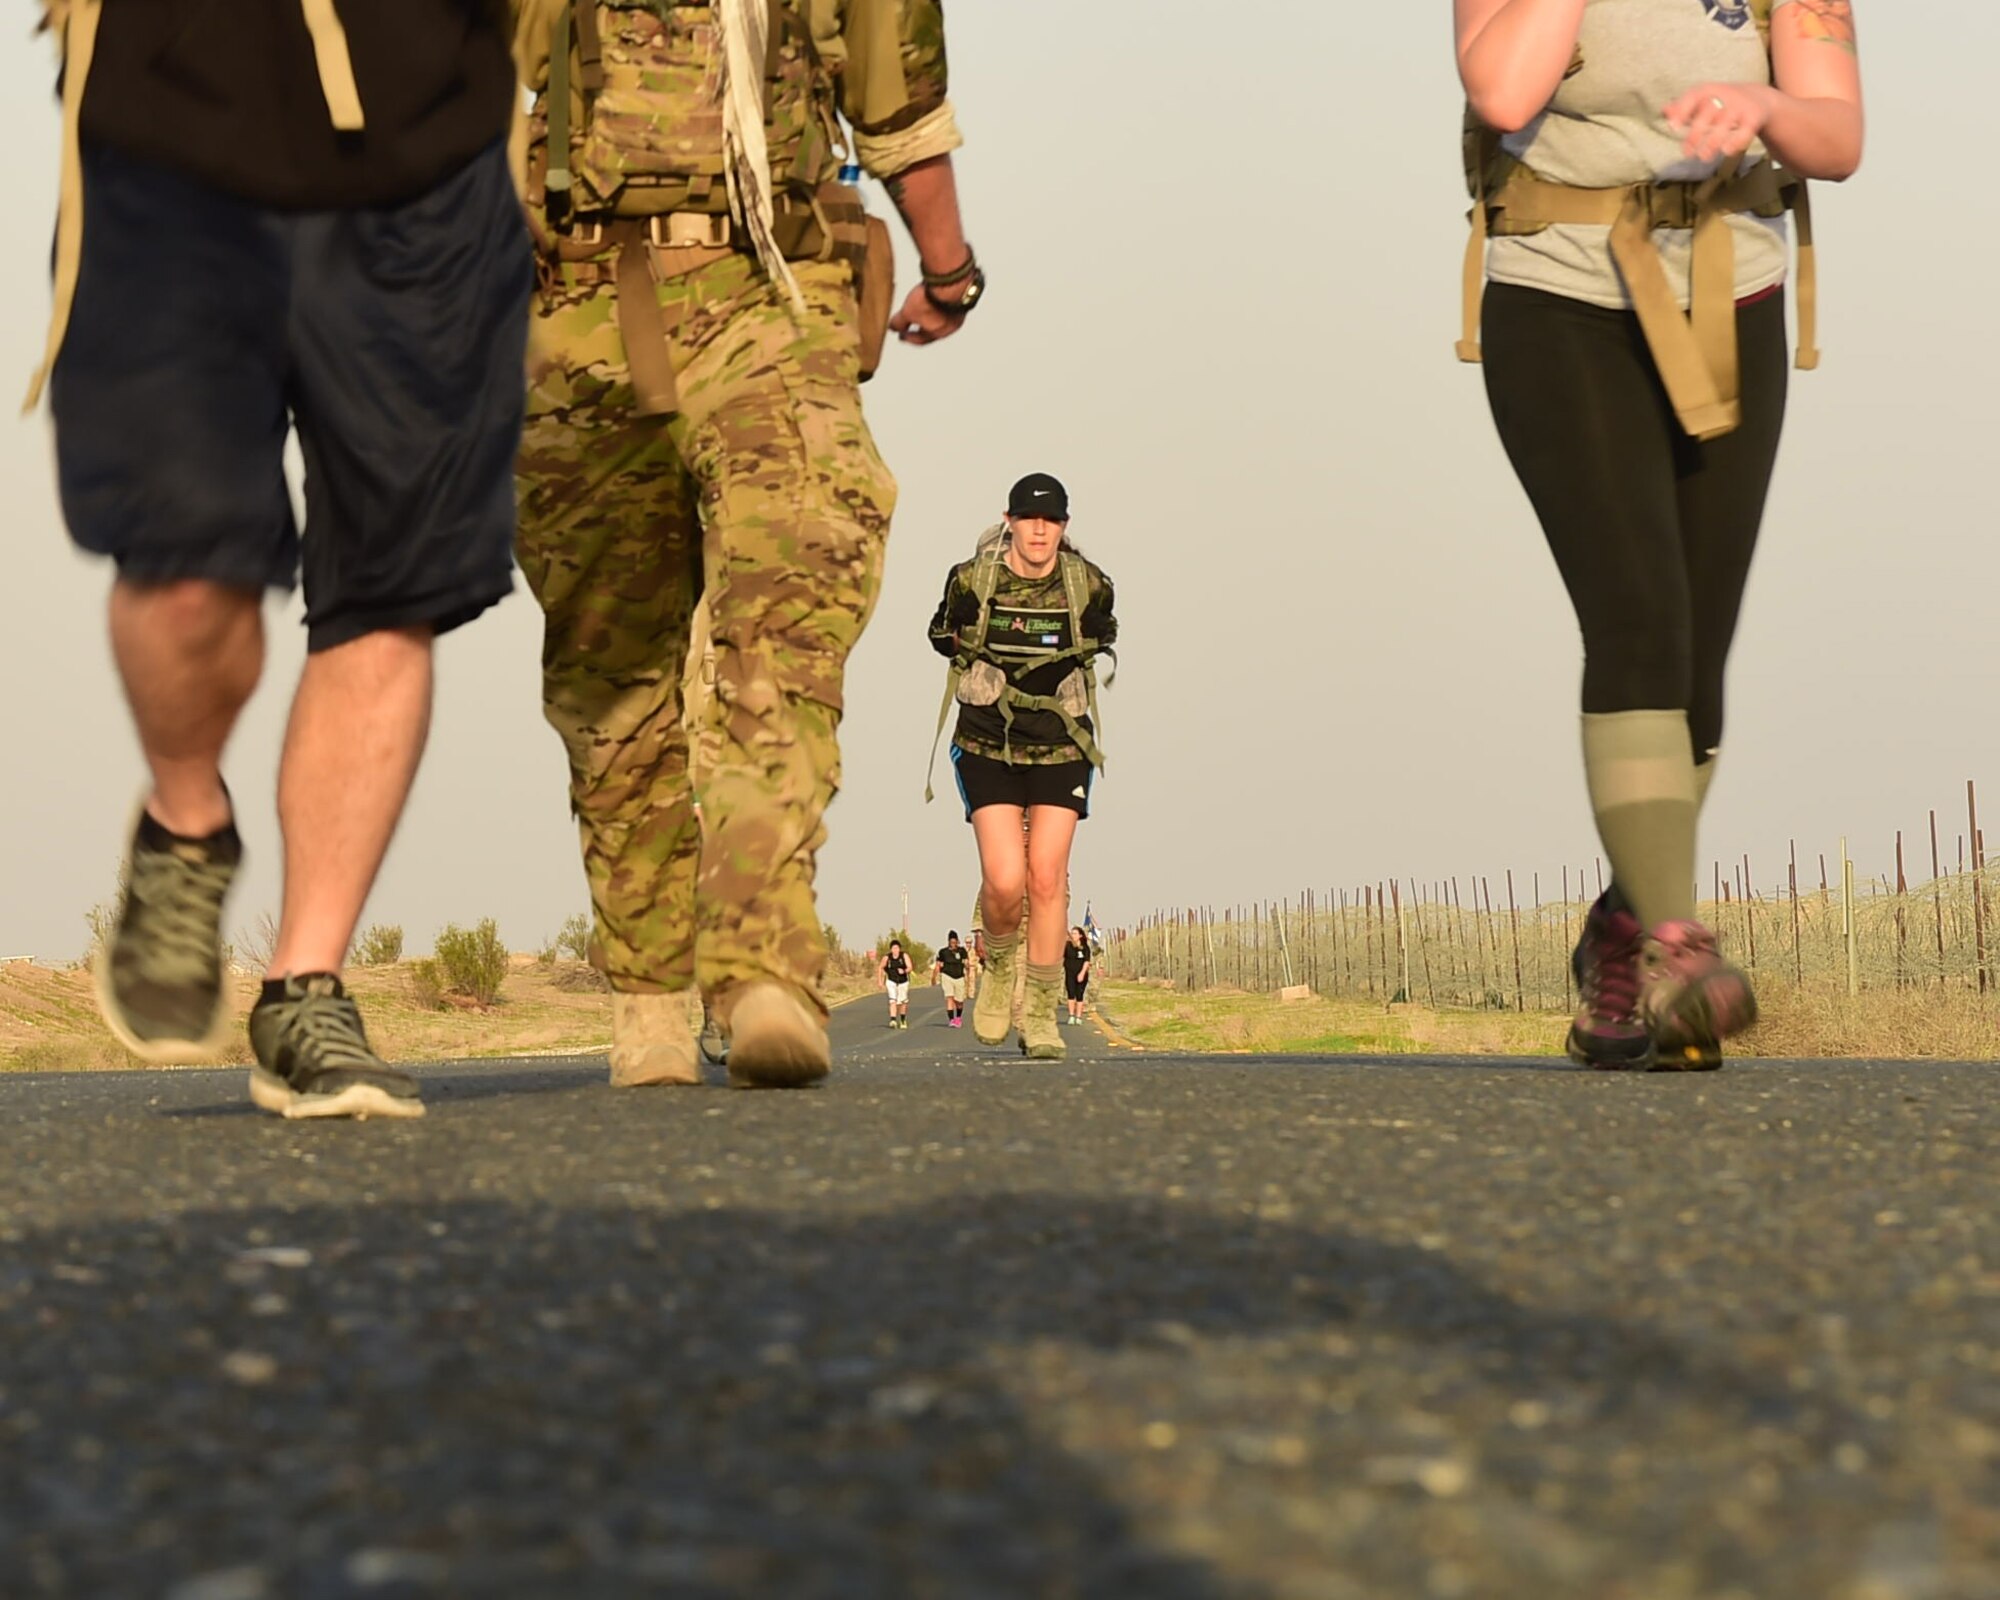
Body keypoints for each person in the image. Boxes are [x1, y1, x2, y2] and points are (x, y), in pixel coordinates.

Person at [34, 2, 530, 1119]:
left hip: (427, 158)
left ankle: (305, 985)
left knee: (393, 586)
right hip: (171, 146)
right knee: (181, 568)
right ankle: (185, 820)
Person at [511, 0, 982, 1090]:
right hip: (577, 292)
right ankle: (648, 993)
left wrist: (947, 268)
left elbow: (898, 105)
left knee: (791, 591)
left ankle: (762, 960)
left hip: (771, 284)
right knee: (611, 665)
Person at [1455, 0, 1863, 1070]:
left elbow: (1838, 137)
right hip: (1558, 294)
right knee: (1635, 618)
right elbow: (1499, 89)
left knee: (1697, 659)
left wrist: (1767, 100)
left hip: (1734, 295)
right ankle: (1677, 951)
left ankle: (1621, 929)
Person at [927, 474, 1116, 1061]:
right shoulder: (971, 580)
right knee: (1006, 882)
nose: (1040, 530)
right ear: (1008, 520)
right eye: (1030, 519)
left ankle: (1039, 1013)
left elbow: (1103, 633)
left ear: (1063, 526)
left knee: (1047, 876)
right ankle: (1000, 965)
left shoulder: (1088, 584)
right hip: (987, 740)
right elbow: (939, 632)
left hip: (1061, 742)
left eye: (1052, 520)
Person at [933, 931, 970, 1027]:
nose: (953, 944)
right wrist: (934, 977)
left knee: (959, 1001)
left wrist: (968, 970)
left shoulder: (962, 951)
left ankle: (958, 1017)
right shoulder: (943, 952)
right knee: (950, 997)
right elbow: (938, 965)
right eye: (951, 942)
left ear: (957, 941)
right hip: (947, 976)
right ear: (948, 942)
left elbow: (966, 963)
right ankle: (951, 1020)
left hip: (959, 977)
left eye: (955, 942)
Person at [879, 939, 913, 1030]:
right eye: (893, 948)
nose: (895, 950)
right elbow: (881, 968)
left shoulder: (904, 956)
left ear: (899, 949)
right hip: (891, 981)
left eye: (897, 948)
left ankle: (902, 1019)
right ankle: (893, 1019)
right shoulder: (887, 958)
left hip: (903, 981)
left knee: (902, 1001)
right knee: (892, 1000)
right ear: (891, 949)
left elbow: (910, 967)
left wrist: (904, 971)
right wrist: (880, 981)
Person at [1062, 925, 1092, 1026]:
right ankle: (1071, 1016)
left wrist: (1082, 973)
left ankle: (1078, 1017)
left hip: (1081, 974)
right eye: (1072, 933)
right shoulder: (1067, 946)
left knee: (1079, 995)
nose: (1073, 935)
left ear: (1080, 935)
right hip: (1069, 973)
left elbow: (1087, 961)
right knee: (1070, 994)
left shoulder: (1085, 947)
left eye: (1075, 933)